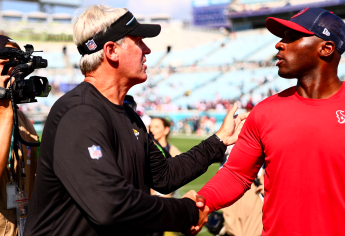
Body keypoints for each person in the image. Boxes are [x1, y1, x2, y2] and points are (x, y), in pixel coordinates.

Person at [24, 5, 247, 236]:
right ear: (111, 51)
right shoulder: (80, 113)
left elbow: (164, 175)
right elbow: (110, 205)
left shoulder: (128, 114)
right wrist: (187, 212)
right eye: (139, 41)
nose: (147, 49)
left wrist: (220, 140)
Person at [198, 8, 345, 236]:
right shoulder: (264, 112)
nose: (279, 44)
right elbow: (236, 174)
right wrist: (200, 203)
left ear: (326, 48)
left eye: (292, 37)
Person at [0, 35, 38, 236]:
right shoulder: (8, 114)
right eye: (7, 64)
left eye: (18, 66)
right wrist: (5, 114)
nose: (15, 73)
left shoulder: (21, 119)